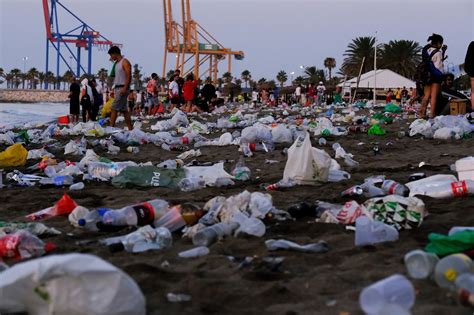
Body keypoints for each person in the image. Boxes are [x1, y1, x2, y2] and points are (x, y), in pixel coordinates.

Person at [418, 33, 447, 119]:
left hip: (426, 76)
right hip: (435, 77)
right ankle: (431, 114)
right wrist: (442, 77)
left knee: (426, 96)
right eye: (441, 43)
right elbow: (438, 67)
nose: (441, 45)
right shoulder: (438, 53)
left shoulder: (427, 50)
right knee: (434, 96)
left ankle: (422, 113)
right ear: (438, 43)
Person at [108, 46, 133, 130]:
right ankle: (131, 129)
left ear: (115, 53)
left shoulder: (125, 62)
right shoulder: (117, 64)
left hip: (122, 88)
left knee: (113, 108)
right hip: (118, 88)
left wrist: (125, 88)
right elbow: (117, 78)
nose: (111, 57)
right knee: (124, 110)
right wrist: (113, 89)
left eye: (111, 55)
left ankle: (110, 128)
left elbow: (129, 75)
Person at [465, 41, 474, 111]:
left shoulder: (472, 44)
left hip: (472, 71)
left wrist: (468, 70)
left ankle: (473, 109)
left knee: (473, 91)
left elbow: (467, 59)